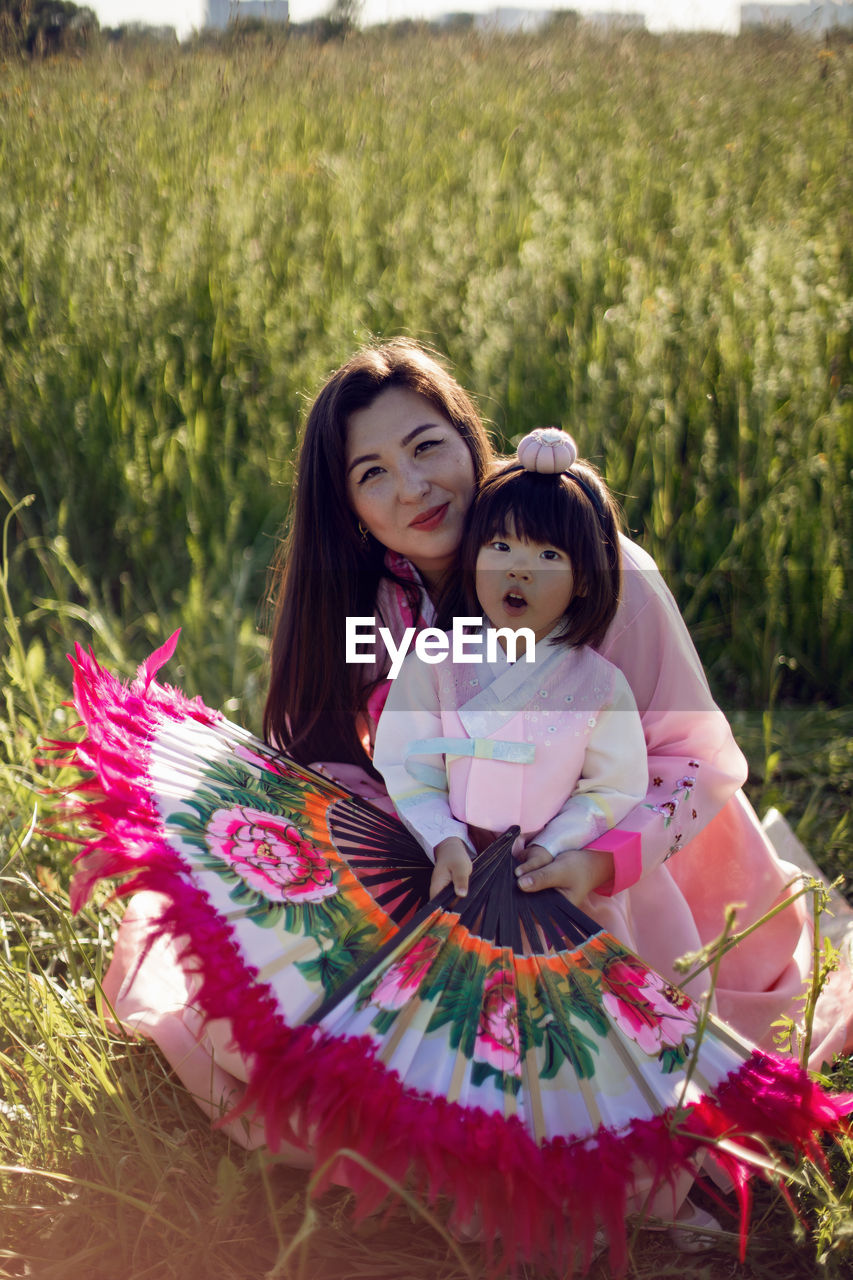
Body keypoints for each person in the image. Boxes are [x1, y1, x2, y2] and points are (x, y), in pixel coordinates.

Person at [102, 339, 852, 1160]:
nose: (412, 487)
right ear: (347, 506)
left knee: (581, 1114)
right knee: (301, 1029)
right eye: (372, 473)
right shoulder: (368, 602)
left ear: (470, 440)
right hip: (449, 858)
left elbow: (701, 762)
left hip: (633, 863)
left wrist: (591, 861)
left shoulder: (605, 576)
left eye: (427, 448)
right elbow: (333, 759)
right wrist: (410, 835)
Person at [372, 427, 650, 912]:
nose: (518, 569)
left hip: (554, 879)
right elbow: (407, 760)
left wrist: (555, 847)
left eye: (547, 555)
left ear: (584, 579)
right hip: (450, 866)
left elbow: (613, 785)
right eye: (499, 547)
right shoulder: (435, 662)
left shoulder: (601, 687)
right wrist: (445, 839)